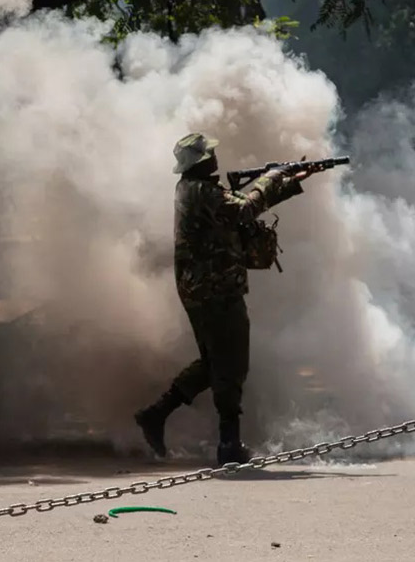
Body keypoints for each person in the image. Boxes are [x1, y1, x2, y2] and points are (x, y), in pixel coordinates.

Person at [134, 132, 325, 466]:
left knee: (215, 364)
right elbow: (243, 209)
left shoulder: (195, 190)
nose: (215, 158)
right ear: (201, 161)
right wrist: (270, 178)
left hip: (205, 288)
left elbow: (242, 208)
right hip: (215, 290)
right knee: (232, 363)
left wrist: (289, 181)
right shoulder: (201, 192)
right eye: (209, 155)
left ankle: (156, 414)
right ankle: (228, 444)